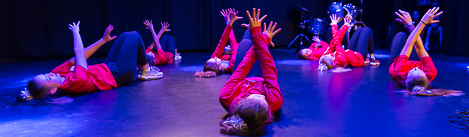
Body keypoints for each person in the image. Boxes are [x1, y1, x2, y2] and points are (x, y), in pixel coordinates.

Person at [25, 21, 162, 100]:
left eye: (46, 74)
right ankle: (146, 70)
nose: (50, 74)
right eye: (48, 79)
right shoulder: (76, 82)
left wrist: (103, 41)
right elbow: (78, 52)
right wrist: (76, 32)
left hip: (107, 67)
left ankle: (144, 64)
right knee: (134, 35)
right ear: (53, 90)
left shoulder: (57, 73)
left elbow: (81, 56)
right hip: (118, 75)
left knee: (125, 35)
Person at [219, 8, 283, 136]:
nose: (262, 95)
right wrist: (260, 38)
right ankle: (254, 32)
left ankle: (251, 30)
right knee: (254, 40)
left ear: (243, 100)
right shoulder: (274, 101)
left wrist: (258, 36)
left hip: (244, 76)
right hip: (261, 76)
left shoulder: (227, 98)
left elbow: (242, 68)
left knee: (245, 42)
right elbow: (267, 66)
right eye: (264, 100)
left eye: (258, 97)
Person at [389, 7, 445, 95]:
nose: (415, 68)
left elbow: (409, 44)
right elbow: (420, 48)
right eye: (419, 70)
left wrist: (421, 22)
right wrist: (411, 24)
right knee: (418, 41)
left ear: (406, 78)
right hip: (415, 60)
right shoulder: (431, 72)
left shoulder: (400, 73)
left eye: (413, 71)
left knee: (401, 35)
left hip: (396, 63)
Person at [196, 8, 243, 77]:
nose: (214, 57)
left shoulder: (215, 60)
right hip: (244, 50)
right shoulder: (231, 66)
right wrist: (230, 24)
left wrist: (228, 24)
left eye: (211, 58)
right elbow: (234, 45)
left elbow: (221, 43)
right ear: (219, 67)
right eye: (215, 60)